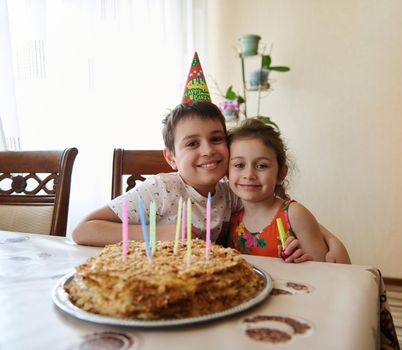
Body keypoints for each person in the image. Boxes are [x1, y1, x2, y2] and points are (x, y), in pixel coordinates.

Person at [72, 100, 241, 246]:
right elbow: (83, 230)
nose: (208, 150)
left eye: (216, 139)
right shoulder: (161, 189)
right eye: (192, 143)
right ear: (171, 158)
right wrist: (158, 234)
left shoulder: (231, 193)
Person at [228, 118, 351, 263]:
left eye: (261, 166)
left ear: (281, 173)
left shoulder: (294, 214)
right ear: (227, 172)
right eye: (239, 165)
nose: (249, 175)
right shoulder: (232, 218)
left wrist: (301, 262)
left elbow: (322, 270)